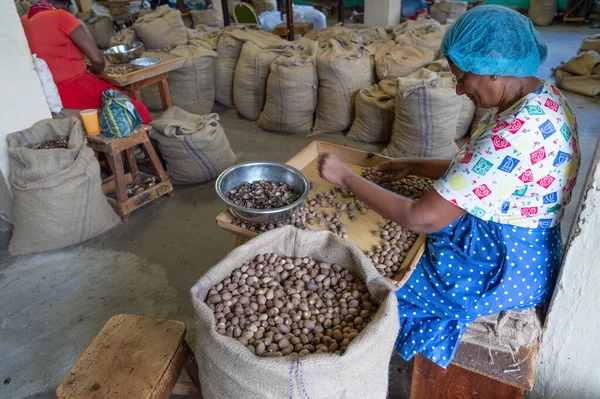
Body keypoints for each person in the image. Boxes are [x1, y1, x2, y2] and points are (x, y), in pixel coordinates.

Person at [318, 5, 580, 368]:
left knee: (374, 287)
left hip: (504, 265)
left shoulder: (514, 133)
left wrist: (344, 178)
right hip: (526, 241)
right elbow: (487, 172)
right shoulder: (541, 99)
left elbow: (421, 218)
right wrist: (415, 165)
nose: (458, 91)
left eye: (462, 78)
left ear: (492, 69)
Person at [21, 0, 152, 124]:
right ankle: (142, 146)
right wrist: (96, 74)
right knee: (138, 110)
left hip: (46, 89)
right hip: (72, 86)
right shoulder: (61, 16)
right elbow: (98, 60)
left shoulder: (23, 20)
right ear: (66, 5)